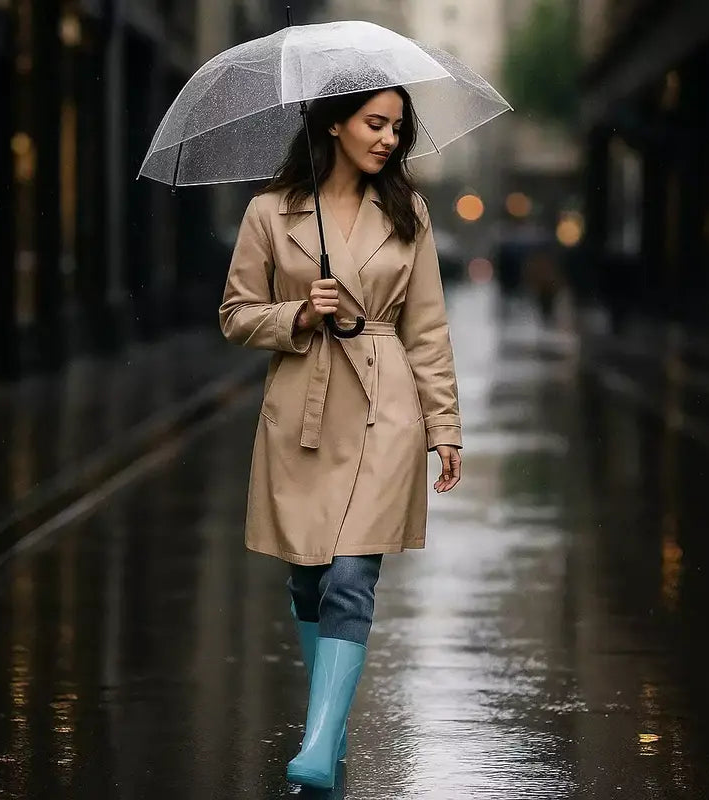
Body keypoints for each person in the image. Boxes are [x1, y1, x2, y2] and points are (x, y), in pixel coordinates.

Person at [218, 83, 462, 790]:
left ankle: (319, 744)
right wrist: (297, 312)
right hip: (304, 406)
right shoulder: (270, 211)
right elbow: (235, 315)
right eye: (375, 123)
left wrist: (444, 425)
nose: (388, 139)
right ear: (334, 124)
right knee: (309, 575)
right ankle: (334, 725)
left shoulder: (407, 211)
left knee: (352, 576)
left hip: (386, 402)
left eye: (396, 128)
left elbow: (428, 328)